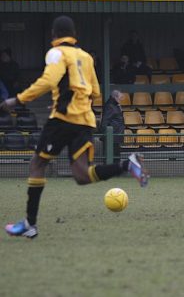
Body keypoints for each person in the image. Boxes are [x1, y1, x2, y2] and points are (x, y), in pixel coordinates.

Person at [1, 16, 150, 239]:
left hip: (63, 118)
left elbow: (48, 80)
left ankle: (30, 224)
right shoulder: (86, 57)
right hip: (85, 121)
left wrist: (17, 100)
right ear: (74, 35)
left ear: (54, 34)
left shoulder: (56, 53)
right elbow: (96, 92)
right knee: (82, 175)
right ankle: (126, 165)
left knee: (37, 163)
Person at [100, 90, 125, 163]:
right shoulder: (110, 106)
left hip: (116, 134)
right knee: (113, 156)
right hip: (113, 135)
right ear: (115, 97)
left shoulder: (115, 105)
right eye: (120, 98)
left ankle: (115, 168)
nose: (121, 99)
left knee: (116, 155)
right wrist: (105, 134)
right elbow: (105, 121)